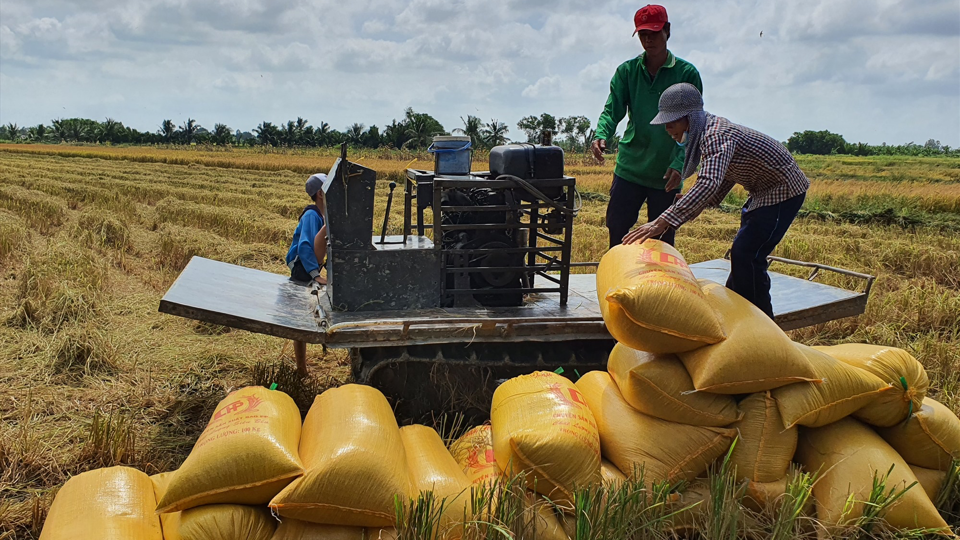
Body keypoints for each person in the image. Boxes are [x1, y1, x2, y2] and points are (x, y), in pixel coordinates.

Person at [624, 82, 809, 319]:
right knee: (743, 253)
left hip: (782, 190)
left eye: (671, 122)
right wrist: (701, 202)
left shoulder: (715, 135)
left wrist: (662, 222)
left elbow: (709, 182)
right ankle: (737, 311)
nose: (668, 129)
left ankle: (763, 324)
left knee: (748, 254)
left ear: (689, 118)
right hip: (762, 192)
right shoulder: (708, 132)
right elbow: (724, 176)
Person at [593, 4, 702, 248]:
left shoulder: (686, 74)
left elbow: (694, 125)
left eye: (653, 33)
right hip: (630, 167)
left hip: (667, 172)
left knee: (663, 236)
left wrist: (679, 163)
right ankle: (621, 281)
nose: (648, 40)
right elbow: (613, 109)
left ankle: (659, 284)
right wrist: (602, 133)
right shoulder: (627, 72)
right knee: (617, 227)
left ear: (668, 31)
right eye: (642, 35)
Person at [286, 173, 328, 285]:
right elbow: (304, 245)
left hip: (307, 267)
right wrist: (315, 275)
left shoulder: (321, 216)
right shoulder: (311, 215)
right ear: (320, 193)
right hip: (300, 267)